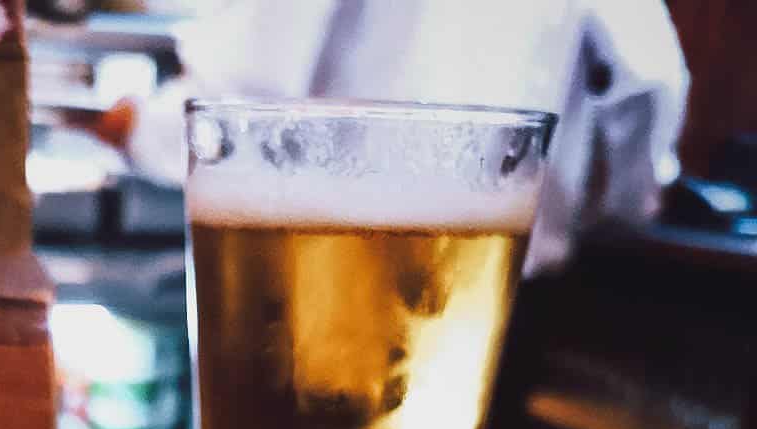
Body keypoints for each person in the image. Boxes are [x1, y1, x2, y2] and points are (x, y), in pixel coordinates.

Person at [79, 0, 689, 272]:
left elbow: (231, 112)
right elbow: (655, 84)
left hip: (328, 271)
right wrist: (623, 210)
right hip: (507, 286)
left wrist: (136, 129)